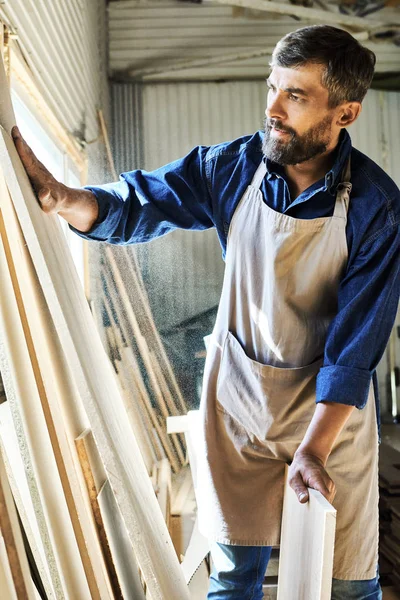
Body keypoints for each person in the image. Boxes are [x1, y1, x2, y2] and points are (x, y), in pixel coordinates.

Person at [13, 25, 400, 600]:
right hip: (240, 406)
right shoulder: (232, 168)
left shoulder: (376, 206)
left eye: (295, 95)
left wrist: (313, 451)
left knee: (346, 584)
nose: (272, 107)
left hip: (329, 423)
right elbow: (143, 201)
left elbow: (355, 348)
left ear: (344, 113)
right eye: (272, 86)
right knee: (233, 579)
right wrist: (67, 198)